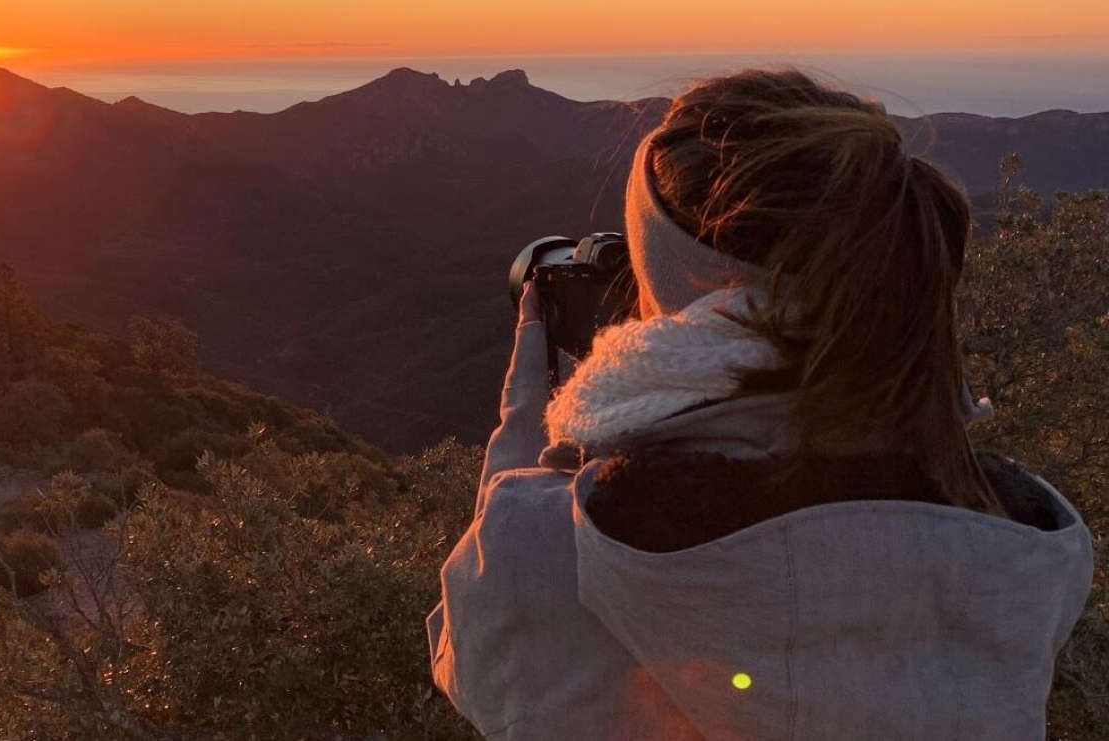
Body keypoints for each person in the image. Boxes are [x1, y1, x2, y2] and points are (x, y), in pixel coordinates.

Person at [426, 69, 1095, 741]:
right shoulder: (1028, 546)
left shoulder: (546, 549)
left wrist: (532, 430)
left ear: (676, 276)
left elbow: (471, 651)